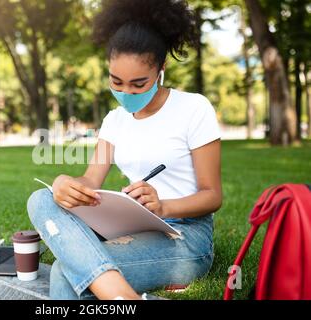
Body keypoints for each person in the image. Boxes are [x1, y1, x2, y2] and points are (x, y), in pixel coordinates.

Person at [27, 0, 222, 300]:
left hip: (185, 238)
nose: (126, 93)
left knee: (65, 274)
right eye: (116, 82)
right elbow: (92, 180)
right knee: (41, 198)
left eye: (138, 84)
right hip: (130, 230)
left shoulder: (193, 109)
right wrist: (65, 185)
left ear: (161, 69)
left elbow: (212, 196)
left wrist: (163, 207)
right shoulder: (114, 120)